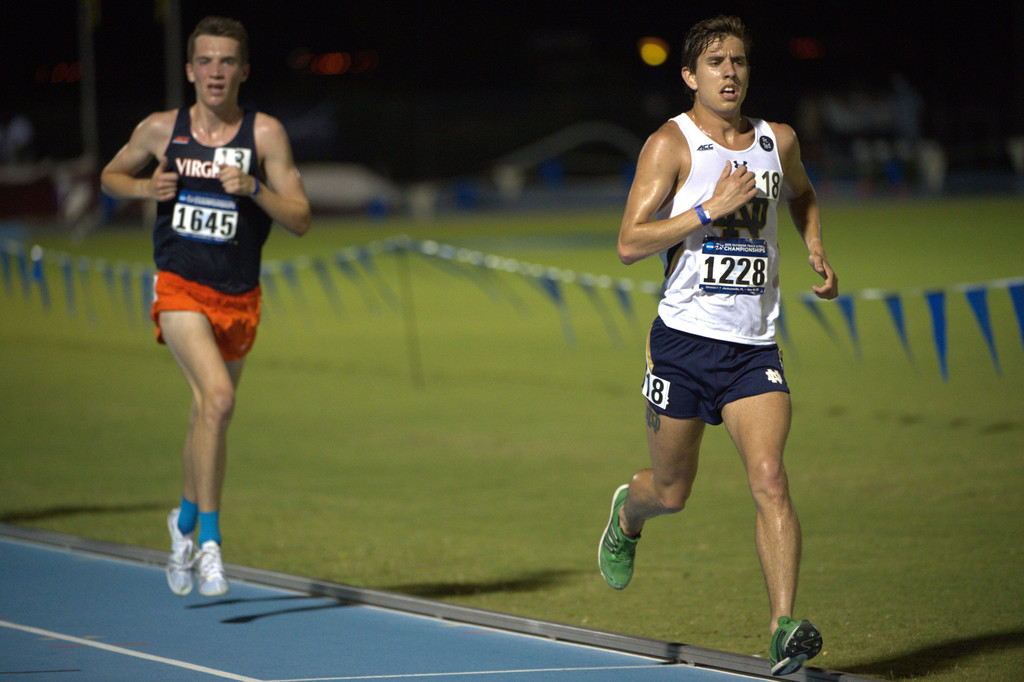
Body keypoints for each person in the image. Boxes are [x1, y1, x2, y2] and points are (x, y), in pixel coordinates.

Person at [597, 15, 837, 676]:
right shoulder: (670, 146)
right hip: (681, 348)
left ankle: (782, 628)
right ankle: (629, 515)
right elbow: (628, 243)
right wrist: (709, 209)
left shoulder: (775, 141)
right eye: (715, 63)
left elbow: (804, 192)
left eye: (738, 62)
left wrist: (813, 242)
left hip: (753, 350)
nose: (729, 73)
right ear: (690, 76)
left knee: (770, 478)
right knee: (672, 492)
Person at [101, 16, 311, 597]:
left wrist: (255, 190)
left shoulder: (265, 135)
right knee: (217, 399)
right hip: (179, 288)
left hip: (238, 297)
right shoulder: (160, 129)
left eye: (226, 62)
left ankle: (184, 521)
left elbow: (300, 218)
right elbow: (110, 175)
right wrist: (148, 189)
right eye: (206, 61)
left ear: (243, 71)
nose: (215, 72)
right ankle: (211, 543)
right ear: (190, 70)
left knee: (207, 412)